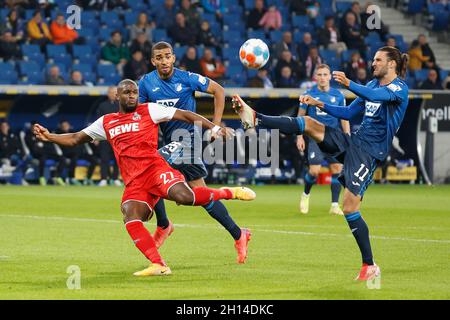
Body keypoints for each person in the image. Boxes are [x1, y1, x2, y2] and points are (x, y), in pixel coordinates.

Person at [33, 79, 255, 276]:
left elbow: (185, 114)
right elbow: (74, 138)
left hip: (154, 169)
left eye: (134, 92)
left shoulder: (149, 110)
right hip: (134, 182)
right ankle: (159, 264)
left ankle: (230, 192)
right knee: (130, 216)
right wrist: (49, 136)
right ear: (116, 96)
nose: (131, 96)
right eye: (127, 92)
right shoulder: (106, 122)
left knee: (185, 197)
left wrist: (214, 127)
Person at [232, 46, 410, 281]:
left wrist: (348, 84)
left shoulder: (399, 88)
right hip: (354, 143)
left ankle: (370, 265)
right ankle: (256, 118)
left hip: (369, 153)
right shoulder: (371, 86)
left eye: (378, 60)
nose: (373, 63)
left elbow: (377, 98)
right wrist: (319, 103)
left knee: (349, 208)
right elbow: (347, 113)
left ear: (392, 64)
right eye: (373, 59)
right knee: (309, 122)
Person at [139, 41, 251, 264]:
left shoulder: (187, 78)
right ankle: (239, 234)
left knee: (149, 173)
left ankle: (163, 225)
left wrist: (216, 125)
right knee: (202, 195)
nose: (163, 61)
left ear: (173, 58)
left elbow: (218, 90)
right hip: (171, 142)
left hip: (188, 140)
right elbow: (142, 115)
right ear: (153, 61)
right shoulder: (146, 83)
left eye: (167, 56)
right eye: (159, 57)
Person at [296, 64, 349, 215]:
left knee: (337, 170)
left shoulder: (338, 95)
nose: (322, 78)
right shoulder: (308, 94)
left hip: (334, 137)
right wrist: (299, 137)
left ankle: (334, 205)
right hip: (315, 137)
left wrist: (347, 137)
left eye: (325, 74)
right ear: (315, 77)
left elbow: (344, 117)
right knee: (314, 171)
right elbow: (300, 116)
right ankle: (306, 194)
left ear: (330, 77)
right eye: (319, 75)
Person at [94, 86, 120, 186]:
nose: (112, 94)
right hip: (105, 135)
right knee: (104, 158)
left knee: (117, 158)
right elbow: (98, 122)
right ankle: (103, 178)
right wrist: (96, 136)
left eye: (114, 92)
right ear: (107, 94)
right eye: (110, 92)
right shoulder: (102, 105)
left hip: (117, 136)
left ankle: (115, 178)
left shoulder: (121, 105)